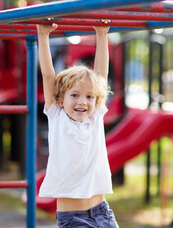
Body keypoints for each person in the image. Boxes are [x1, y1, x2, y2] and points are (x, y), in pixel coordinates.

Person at [36, 20, 119, 228]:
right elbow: (48, 75)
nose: (82, 102)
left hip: (102, 211)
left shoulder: (95, 117)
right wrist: (43, 35)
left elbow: (101, 76)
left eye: (89, 97)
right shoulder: (57, 116)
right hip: (73, 217)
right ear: (60, 98)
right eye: (75, 95)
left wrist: (101, 35)